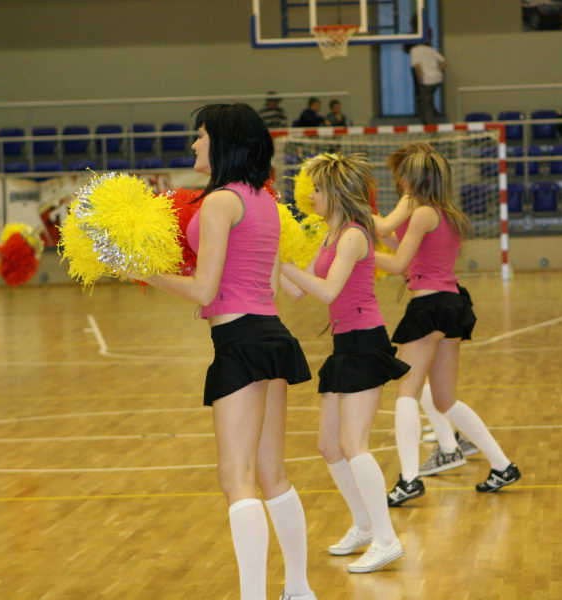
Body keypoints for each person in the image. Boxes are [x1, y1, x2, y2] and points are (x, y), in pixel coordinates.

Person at [135, 103, 316, 600]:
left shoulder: (219, 202)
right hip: (271, 336)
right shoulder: (263, 199)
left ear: (225, 142)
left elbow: (203, 288)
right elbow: (262, 284)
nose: (195, 144)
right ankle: (299, 589)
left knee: (236, 478)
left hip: (240, 342)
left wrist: (139, 269)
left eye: (201, 135)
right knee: (272, 474)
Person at [373, 143, 521, 507]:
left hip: (429, 307)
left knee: (406, 394)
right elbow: (400, 245)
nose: (399, 182)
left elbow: (397, 264)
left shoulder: (422, 213)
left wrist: (353, 252)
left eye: (403, 177)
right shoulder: (446, 214)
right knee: (445, 399)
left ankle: (409, 479)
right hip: (451, 304)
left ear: (413, 179)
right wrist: (374, 228)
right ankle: (502, 465)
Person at [280, 152, 407, 573]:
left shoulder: (353, 234)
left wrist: (283, 263)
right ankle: (365, 525)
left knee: (353, 445)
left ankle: (387, 538)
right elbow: (297, 291)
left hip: (365, 343)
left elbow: (328, 291)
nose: (311, 196)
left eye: (317, 189)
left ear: (335, 192)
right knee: (329, 446)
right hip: (345, 344)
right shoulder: (330, 234)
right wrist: (265, 258)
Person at [405, 42, 445, 125]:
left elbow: (417, 67)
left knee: (426, 105)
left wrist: (420, 80)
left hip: (426, 80)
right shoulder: (430, 49)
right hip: (437, 79)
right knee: (428, 99)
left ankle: (430, 126)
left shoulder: (414, 51)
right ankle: (435, 115)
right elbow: (444, 61)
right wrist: (437, 71)